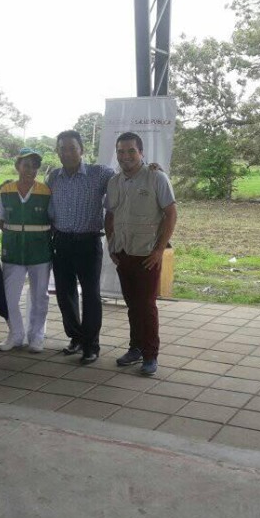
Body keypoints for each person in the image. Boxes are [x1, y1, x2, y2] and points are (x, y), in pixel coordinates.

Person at [104, 132, 177, 376]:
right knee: (133, 305)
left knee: (146, 306)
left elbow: (171, 214)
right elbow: (110, 215)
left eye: (131, 151)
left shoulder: (156, 177)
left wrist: (159, 250)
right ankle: (135, 348)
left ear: (141, 153)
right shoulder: (114, 182)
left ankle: (150, 355)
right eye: (121, 151)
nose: (125, 156)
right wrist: (111, 245)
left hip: (147, 254)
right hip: (123, 252)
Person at [46, 130, 116, 364]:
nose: (66, 153)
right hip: (61, 242)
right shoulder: (53, 177)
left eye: (71, 148)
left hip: (88, 242)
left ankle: (91, 345)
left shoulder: (99, 174)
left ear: (82, 150)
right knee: (64, 294)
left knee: (91, 295)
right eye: (62, 149)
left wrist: (149, 168)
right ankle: (76, 337)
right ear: (57, 152)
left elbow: (126, 177)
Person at [0, 148, 52, 353]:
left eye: (35, 166)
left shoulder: (46, 192)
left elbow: (53, 220)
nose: (31, 170)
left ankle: (36, 337)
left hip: (40, 251)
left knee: (39, 296)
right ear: (17, 166)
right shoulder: (6, 191)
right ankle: (16, 334)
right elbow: (0, 220)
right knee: (8, 296)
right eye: (26, 165)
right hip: (13, 251)